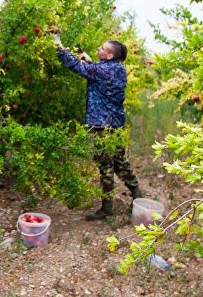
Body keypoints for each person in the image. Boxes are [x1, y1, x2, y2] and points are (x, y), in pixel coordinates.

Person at [55, 35, 141, 220]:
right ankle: (138, 197)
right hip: (116, 123)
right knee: (120, 161)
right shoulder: (119, 69)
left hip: (101, 125)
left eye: (102, 48)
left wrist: (57, 43)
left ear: (109, 56)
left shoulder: (100, 70)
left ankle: (107, 207)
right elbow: (96, 69)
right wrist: (84, 55)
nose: (98, 49)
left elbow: (76, 66)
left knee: (105, 165)